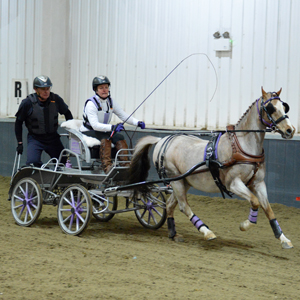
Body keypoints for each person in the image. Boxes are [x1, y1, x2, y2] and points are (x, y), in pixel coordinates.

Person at [80, 75, 146, 173]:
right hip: (89, 131)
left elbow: (123, 116)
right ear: (96, 90)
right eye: (101, 88)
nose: (104, 90)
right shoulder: (91, 104)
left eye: (106, 87)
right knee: (106, 139)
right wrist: (112, 127)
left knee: (119, 137)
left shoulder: (110, 102)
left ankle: (125, 166)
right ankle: (107, 167)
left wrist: (137, 122)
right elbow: (94, 125)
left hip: (103, 130)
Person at [15, 75, 73, 167]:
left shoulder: (56, 99)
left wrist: (71, 132)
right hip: (35, 139)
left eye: (48, 88)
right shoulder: (27, 103)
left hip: (53, 138)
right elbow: (18, 122)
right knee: (32, 163)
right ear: (35, 89)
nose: (46, 92)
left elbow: (67, 113)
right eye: (43, 89)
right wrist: (20, 142)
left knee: (64, 163)